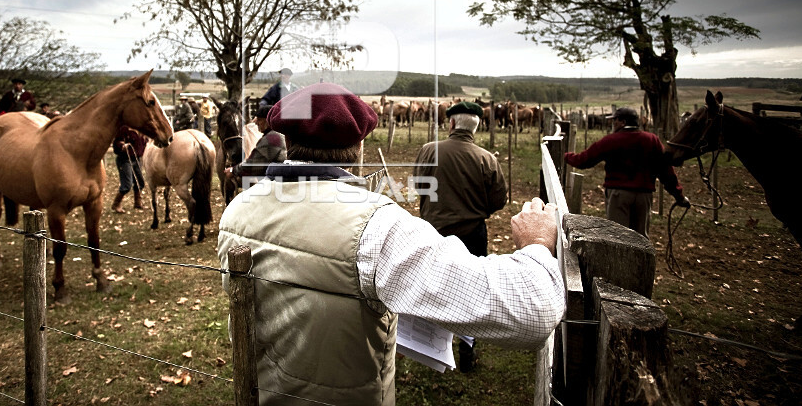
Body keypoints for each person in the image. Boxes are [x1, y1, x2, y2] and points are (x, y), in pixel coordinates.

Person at [217, 83, 565, 405]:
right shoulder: (376, 226)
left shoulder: (238, 210)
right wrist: (536, 245)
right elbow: (531, 312)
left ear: (286, 138)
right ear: (359, 147)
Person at [413, 100, 507, 372]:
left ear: (451, 123)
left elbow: (418, 186)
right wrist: (477, 210)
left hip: (434, 232)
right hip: (472, 233)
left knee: (434, 287)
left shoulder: (429, 151)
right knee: (472, 290)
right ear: (476, 127)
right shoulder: (486, 159)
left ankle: (431, 350)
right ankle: (467, 351)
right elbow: (499, 200)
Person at [564, 106, 690, 236]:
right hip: (643, 196)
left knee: (617, 237)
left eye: (615, 121)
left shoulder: (611, 140)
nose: (613, 124)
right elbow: (666, 171)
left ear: (623, 122)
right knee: (641, 238)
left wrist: (566, 156)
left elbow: (585, 160)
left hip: (619, 195)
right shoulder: (652, 140)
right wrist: (679, 196)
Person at [224, 103, 287, 188]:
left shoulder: (273, 138)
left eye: (260, 119)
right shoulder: (279, 134)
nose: (256, 122)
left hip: (276, 185)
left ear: (268, 121)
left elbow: (253, 164)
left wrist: (233, 170)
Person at [111, 125, 147, 213]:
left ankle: (137, 203)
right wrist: (122, 146)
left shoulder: (141, 129)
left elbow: (144, 144)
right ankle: (116, 204)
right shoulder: (124, 129)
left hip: (137, 159)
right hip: (125, 159)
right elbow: (116, 143)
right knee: (127, 184)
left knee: (140, 182)